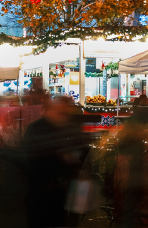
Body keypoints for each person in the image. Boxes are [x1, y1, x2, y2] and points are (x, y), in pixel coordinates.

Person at [22, 95, 90, 228]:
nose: (64, 116)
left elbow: (82, 147)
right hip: (41, 191)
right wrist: (64, 159)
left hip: (60, 191)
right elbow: (33, 158)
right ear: (50, 111)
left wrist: (75, 162)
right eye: (61, 112)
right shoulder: (37, 129)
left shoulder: (67, 127)